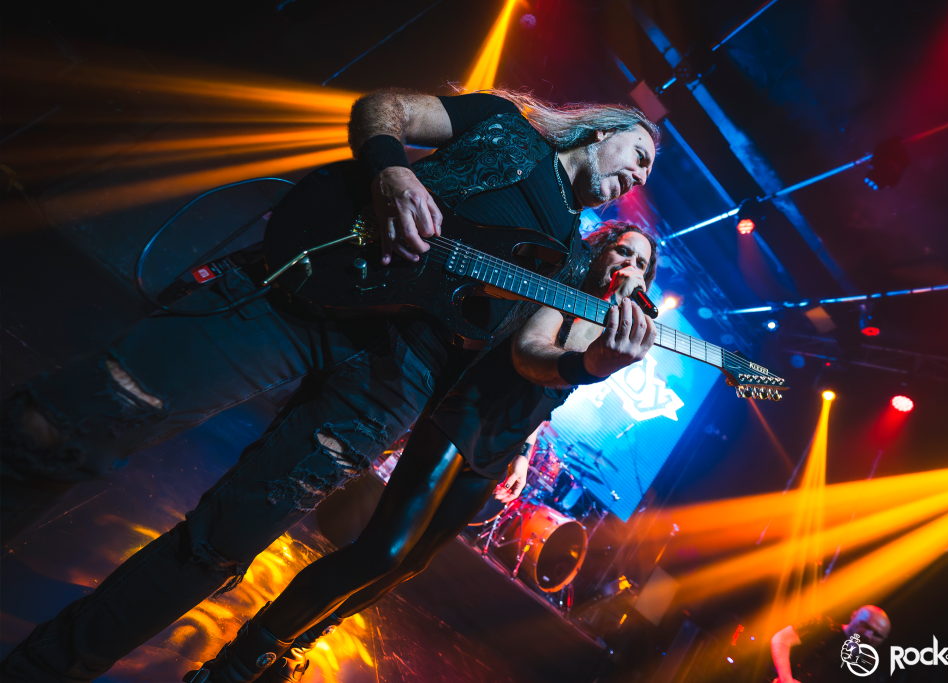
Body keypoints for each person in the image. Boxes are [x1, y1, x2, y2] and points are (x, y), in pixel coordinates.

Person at [0, 87, 658, 682]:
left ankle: (43, 671)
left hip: (394, 381)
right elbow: (382, 109)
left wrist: (594, 363)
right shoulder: (503, 126)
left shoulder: (570, 260)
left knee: (218, 548)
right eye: (638, 155)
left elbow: (532, 352)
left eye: (645, 175)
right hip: (310, 289)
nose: (636, 176)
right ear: (602, 129)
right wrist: (391, 172)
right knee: (75, 418)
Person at [185, 221, 659, 682]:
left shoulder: (616, 330)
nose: (630, 265)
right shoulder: (563, 287)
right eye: (623, 251)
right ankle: (244, 658)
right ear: (600, 249)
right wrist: (599, 335)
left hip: (500, 445)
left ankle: (298, 643)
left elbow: (551, 395)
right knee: (383, 551)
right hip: (464, 413)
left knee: (411, 564)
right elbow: (532, 355)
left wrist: (522, 452)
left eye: (641, 263)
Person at [770, 605, 891, 683]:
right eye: (866, 626)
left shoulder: (870, 669)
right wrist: (786, 679)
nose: (868, 635)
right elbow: (781, 638)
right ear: (854, 615)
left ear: (884, 639)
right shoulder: (822, 625)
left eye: (877, 634)